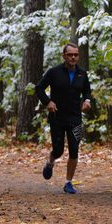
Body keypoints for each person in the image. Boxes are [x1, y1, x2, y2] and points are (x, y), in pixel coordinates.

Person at [35, 43, 91, 194]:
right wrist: (48, 102)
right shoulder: (54, 72)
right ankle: (50, 162)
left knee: (74, 150)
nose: (73, 57)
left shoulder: (82, 74)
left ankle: (68, 183)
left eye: (76, 55)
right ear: (64, 56)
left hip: (75, 119)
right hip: (57, 117)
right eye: (70, 55)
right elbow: (39, 88)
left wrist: (87, 101)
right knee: (58, 150)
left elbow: (87, 92)